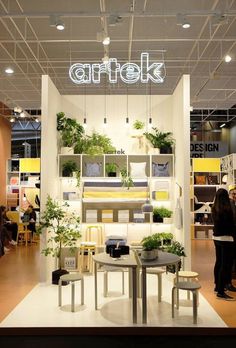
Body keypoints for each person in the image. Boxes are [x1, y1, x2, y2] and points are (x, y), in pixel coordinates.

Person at [212, 188, 236, 301]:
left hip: (216, 237)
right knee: (225, 265)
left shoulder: (214, 208)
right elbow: (232, 225)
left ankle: (217, 286)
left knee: (219, 262)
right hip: (227, 239)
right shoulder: (227, 209)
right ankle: (221, 292)